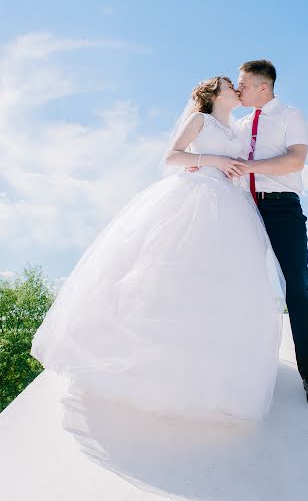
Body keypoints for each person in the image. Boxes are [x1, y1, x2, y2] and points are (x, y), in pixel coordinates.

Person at [30, 76, 286, 424]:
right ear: (214, 93)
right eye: (230, 85)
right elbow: (173, 156)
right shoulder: (201, 120)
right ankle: (146, 364)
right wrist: (211, 160)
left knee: (216, 285)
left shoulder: (238, 130)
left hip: (229, 205)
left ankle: (204, 369)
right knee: (168, 276)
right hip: (194, 198)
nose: (236, 90)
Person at [235, 59, 308, 408]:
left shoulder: (291, 116)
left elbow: (295, 161)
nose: (238, 89)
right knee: (241, 285)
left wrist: (251, 166)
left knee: (296, 287)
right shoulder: (240, 124)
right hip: (243, 208)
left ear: (263, 86)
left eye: (243, 84)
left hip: (281, 208)